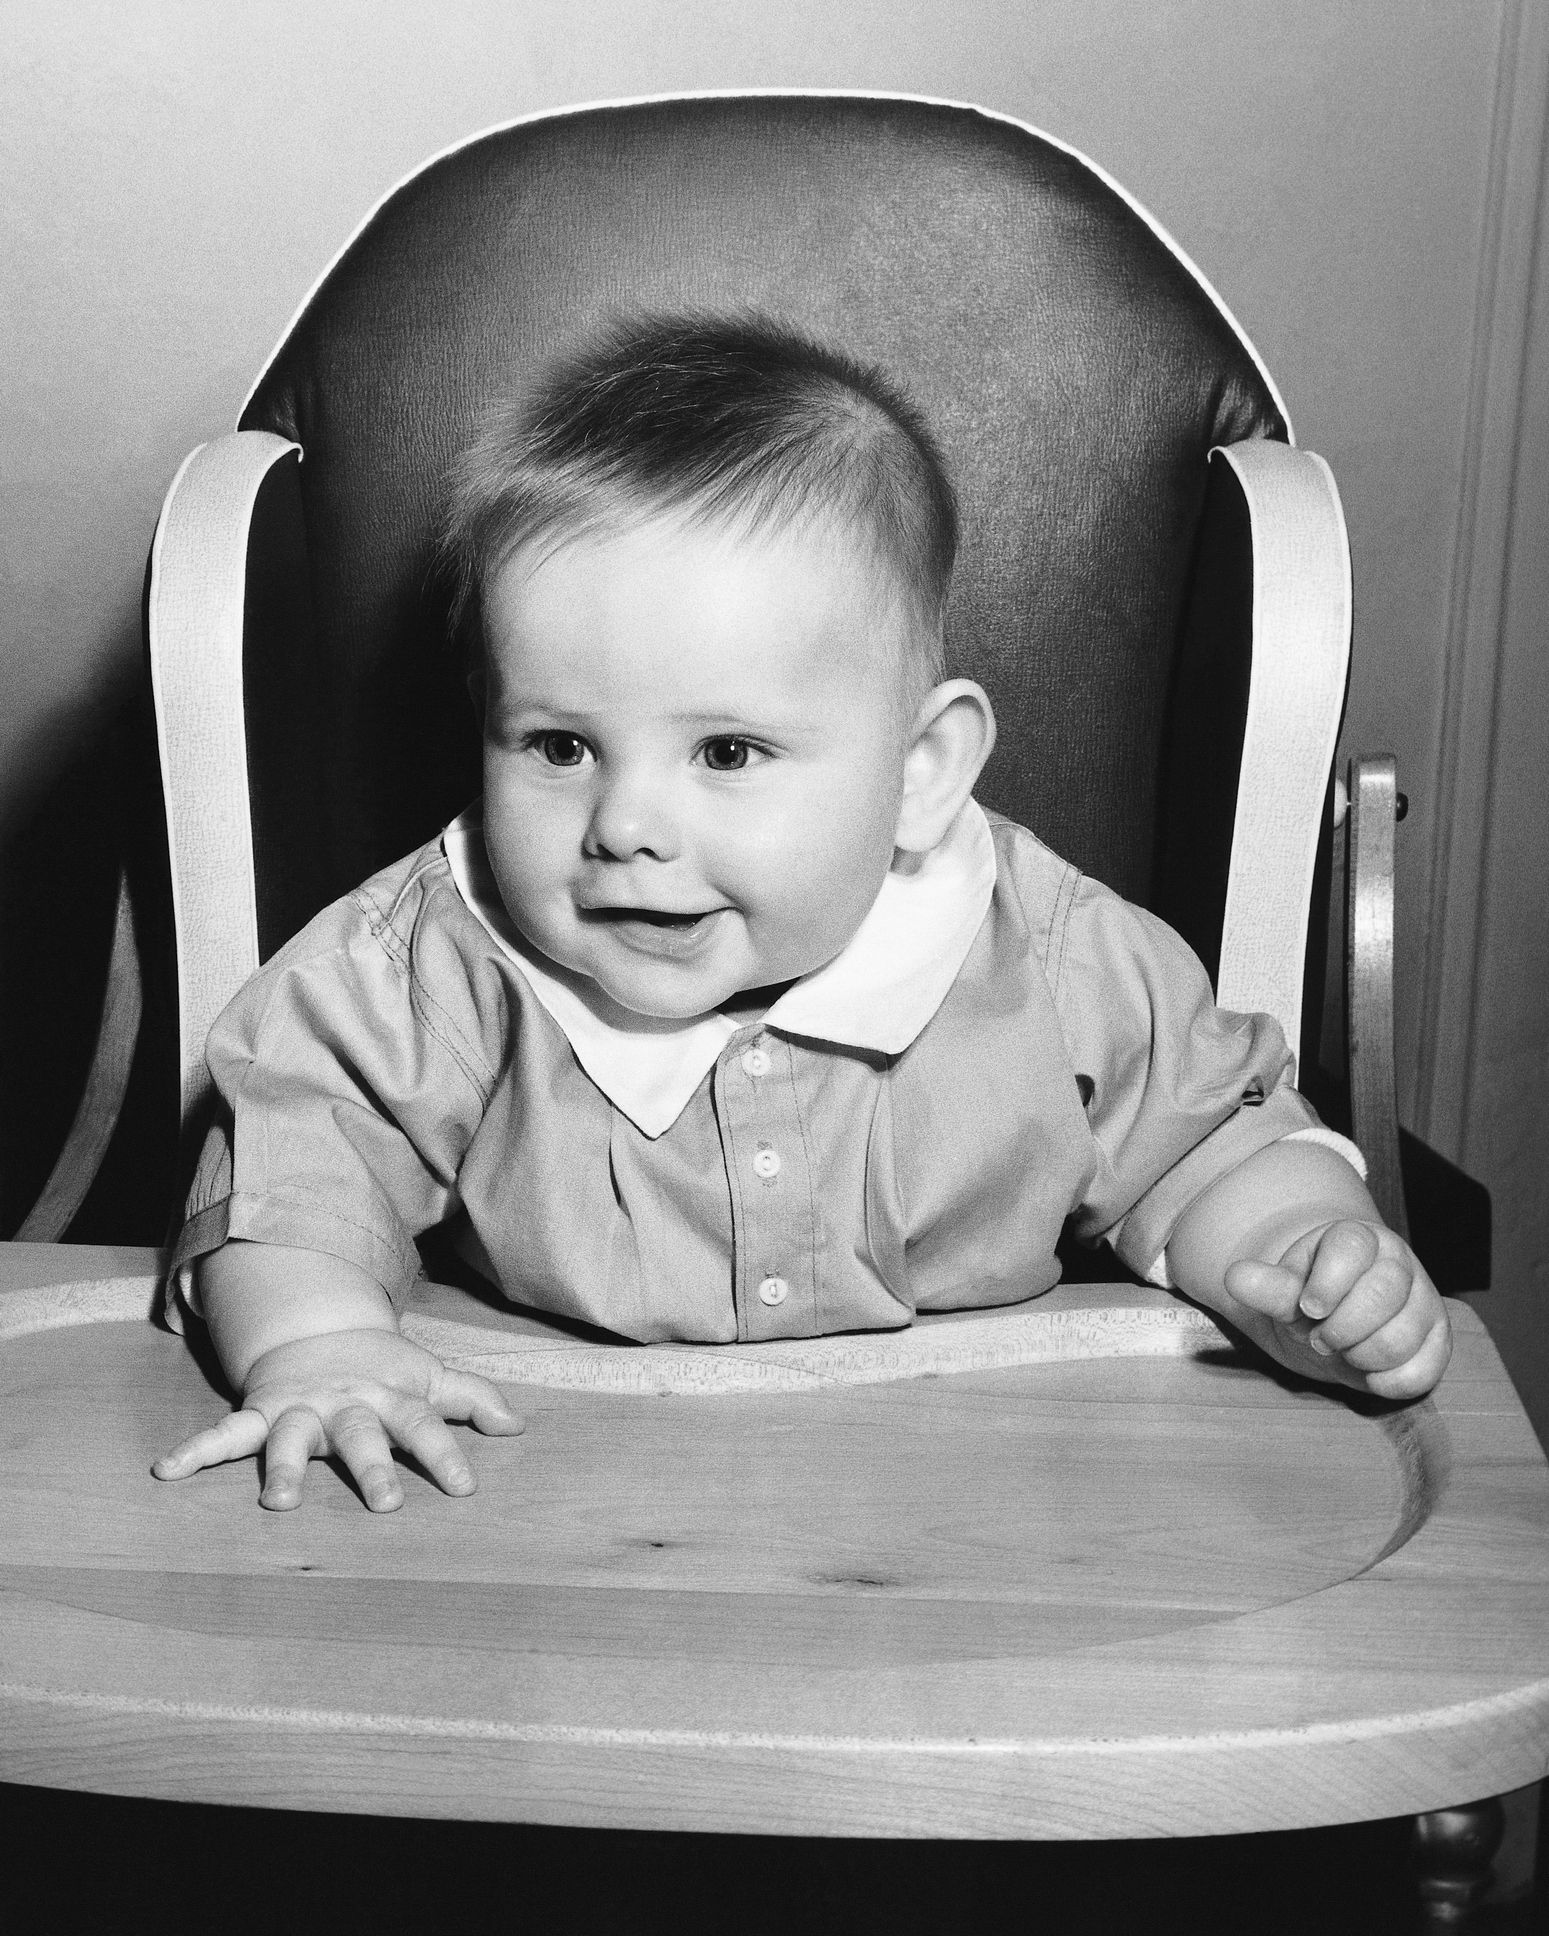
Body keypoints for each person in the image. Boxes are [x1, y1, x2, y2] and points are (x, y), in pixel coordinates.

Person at [153, 315, 1451, 1514]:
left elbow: (1204, 1145)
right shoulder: (431, 962)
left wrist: (1298, 1256)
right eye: (557, 746)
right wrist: (321, 1346)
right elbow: (289, 1173)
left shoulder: (1044, 954)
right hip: (553, 1519)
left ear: (920, 772)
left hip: (998, 1517)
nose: (624, 825)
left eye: (724, 753)